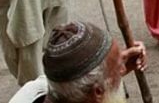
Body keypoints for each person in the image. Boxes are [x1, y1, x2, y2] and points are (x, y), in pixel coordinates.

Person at [8, 21, 147, 103]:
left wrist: (114, 67)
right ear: (98, 92)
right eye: (119, 67)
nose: (124, 68)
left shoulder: (48, 87)